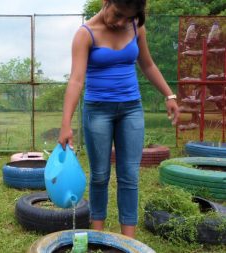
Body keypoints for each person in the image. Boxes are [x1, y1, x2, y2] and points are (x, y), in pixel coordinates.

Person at [58, 0, 180, 238]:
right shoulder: (85, 34)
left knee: (129, 175)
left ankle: (128, 240)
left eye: (128, 17)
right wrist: (66, 124)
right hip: (97, 111)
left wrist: (169, 94)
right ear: (107, 2)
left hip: (131, 110)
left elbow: (147, 64)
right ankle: (97, 235)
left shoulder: (136, 26)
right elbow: (76, 80)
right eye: (117, 14)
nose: (121, 22)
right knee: (100, 175)